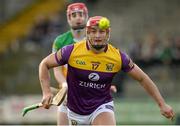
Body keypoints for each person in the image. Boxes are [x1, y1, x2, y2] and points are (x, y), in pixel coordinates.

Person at [39, 16, 174, 125]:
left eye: (101, 31)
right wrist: (46, 92)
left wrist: (162, 104)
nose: (97, 35)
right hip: (75, 111)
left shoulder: (118, 57)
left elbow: (142, 78)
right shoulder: (71, 51)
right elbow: (44, 64)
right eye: (93, 31)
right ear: (87, 33)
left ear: (107, 34)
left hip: (101, 106)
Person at [52, 3, 117, 125]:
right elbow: (57, 70)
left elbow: (101, 67)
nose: (78, 18)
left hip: (92, 97)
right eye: (74, 15)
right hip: (69, 95)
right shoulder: (60, 41)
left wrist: (105, 85)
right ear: (68, 19)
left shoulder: (95, 40)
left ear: (87, 17)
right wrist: (65, 85)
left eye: (81, 14)